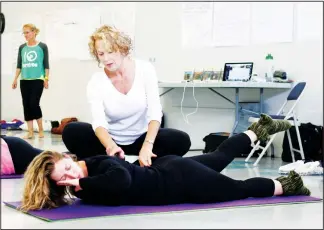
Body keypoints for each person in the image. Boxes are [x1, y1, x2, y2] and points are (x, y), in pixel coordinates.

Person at [20, 114, 311, 211]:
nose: (71, 174)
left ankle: (288, 185)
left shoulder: (98, 165)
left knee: (239, 187)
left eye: (68, 167)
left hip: (180, 181)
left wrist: (79, 181)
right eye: (63, 178)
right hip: (174, 171)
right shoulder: (86, 184)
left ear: (69, 158)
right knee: (220, 157)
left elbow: (121, 181)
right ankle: (257, 130)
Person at [62, 25, 191, 167]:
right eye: (101, 54)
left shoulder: (145, 69)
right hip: (111, 141)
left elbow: (155, 112)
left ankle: (131, 167)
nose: (106, 58)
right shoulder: (96, 81)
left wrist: (147, 146)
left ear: (123, 49)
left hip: (141, 139)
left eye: (111, 52)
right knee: (72, 131)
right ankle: (120, 164)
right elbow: (98, 122)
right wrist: (111, 146)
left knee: (180, 139)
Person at [12, 23, 50, 139]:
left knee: (34, 103)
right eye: (24, 33)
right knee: (26, 105)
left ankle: (40, 130)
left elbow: (46, 65)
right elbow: (19, 65)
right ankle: (30, 132)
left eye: (27, 32)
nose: (25, 35)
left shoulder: (42, 46)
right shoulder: (22, 47)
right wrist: (15, 79)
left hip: (38, 79)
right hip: (25, 80)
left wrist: (46, 79)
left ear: (34, 32)